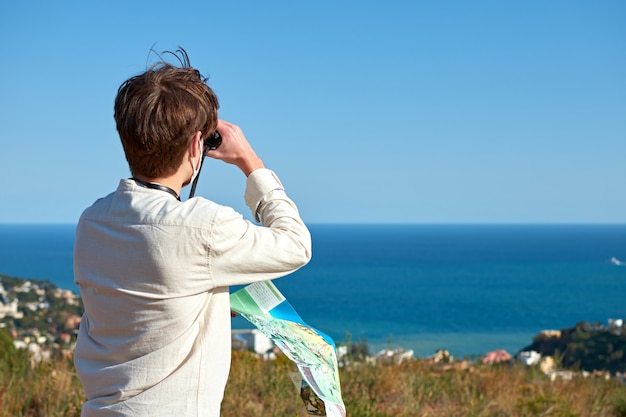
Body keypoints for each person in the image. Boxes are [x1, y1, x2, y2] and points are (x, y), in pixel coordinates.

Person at [73, 48, 312, 417]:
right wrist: (252, 163)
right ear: (196, 146)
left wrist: (208, 304)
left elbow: (144, 303)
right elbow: (296, 245)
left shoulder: (92, 222)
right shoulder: (203, 226)